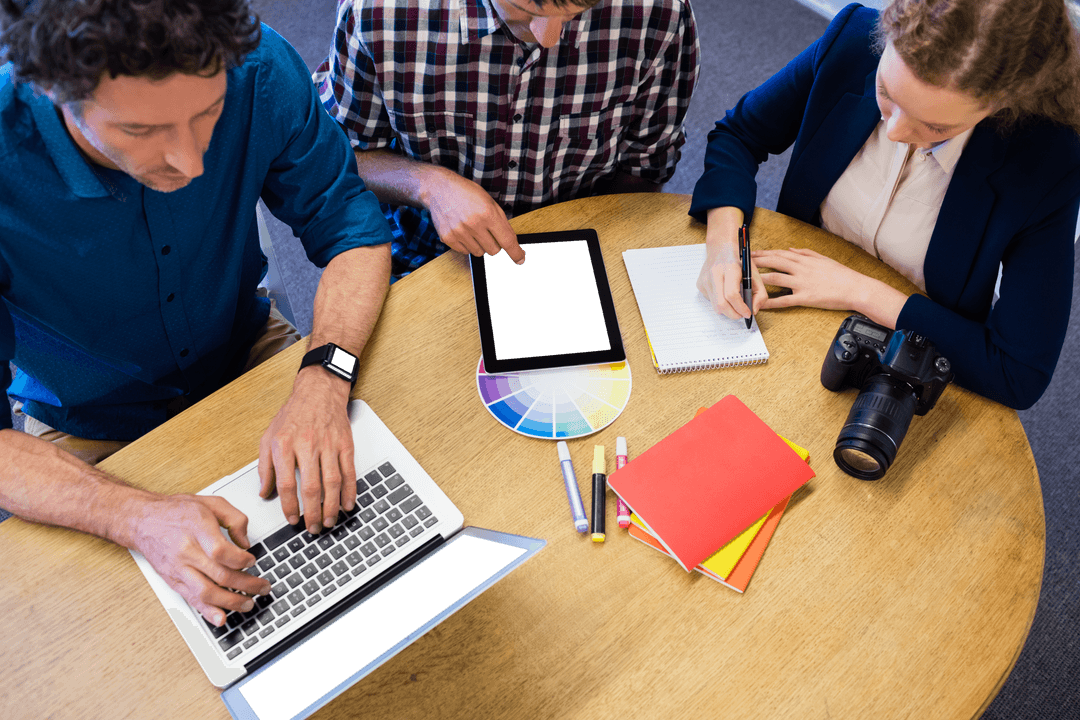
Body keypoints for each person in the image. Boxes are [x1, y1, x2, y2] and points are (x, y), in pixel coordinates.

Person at [0, 0, 395, 627]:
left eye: (208, 113)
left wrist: (324, 379)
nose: (189, 163)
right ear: (50, 89)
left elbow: (353, 228)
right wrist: (133, 515)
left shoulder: (258, 64)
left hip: (245, 350)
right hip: (85, 427)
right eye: (139, 131)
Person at [690, 0, 1080, 410]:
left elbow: (1017, 372)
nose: (893, 132)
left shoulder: (1048, 160)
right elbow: (739, 135)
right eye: (886, 93)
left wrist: (859, 291)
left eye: (936, 127)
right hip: (782, 314)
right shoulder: (853, 41)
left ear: (1003, 104)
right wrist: (723, 243)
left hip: (904, 361)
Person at [314, 0, 699, 278]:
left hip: (584, 247)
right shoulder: (382, 13)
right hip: (426, 252)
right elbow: (341, 153)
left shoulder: (660, 14)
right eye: (527, 8)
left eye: (577, 10)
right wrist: (430, 186)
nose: (549, 38)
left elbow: (645, 166)